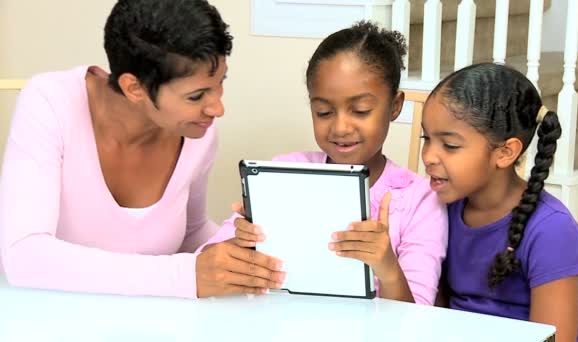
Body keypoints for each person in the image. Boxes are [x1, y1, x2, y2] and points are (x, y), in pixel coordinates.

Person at [0, 0, 285, 298]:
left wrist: (251, 254)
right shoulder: (50, 102)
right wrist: (185, 276)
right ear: (134, 88)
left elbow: (191, 232)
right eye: (197, 95)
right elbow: (24, 255)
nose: (217, 108)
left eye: (219, 84)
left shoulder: (196, 131)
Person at [204, 21, 448, 304]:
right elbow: (208, 260)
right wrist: (243, 242)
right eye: (323, 112)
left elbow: (418, 317)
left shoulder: (421, 200)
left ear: (395, 106)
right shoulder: (286, 173)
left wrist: (388, 268)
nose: (341, 127)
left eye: (360, 110)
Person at [421, 63, 578, 341]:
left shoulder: (552, 231)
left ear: (506, 152)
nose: (428, 156)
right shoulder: (440, 209)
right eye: (427, 138)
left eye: (449, 145)